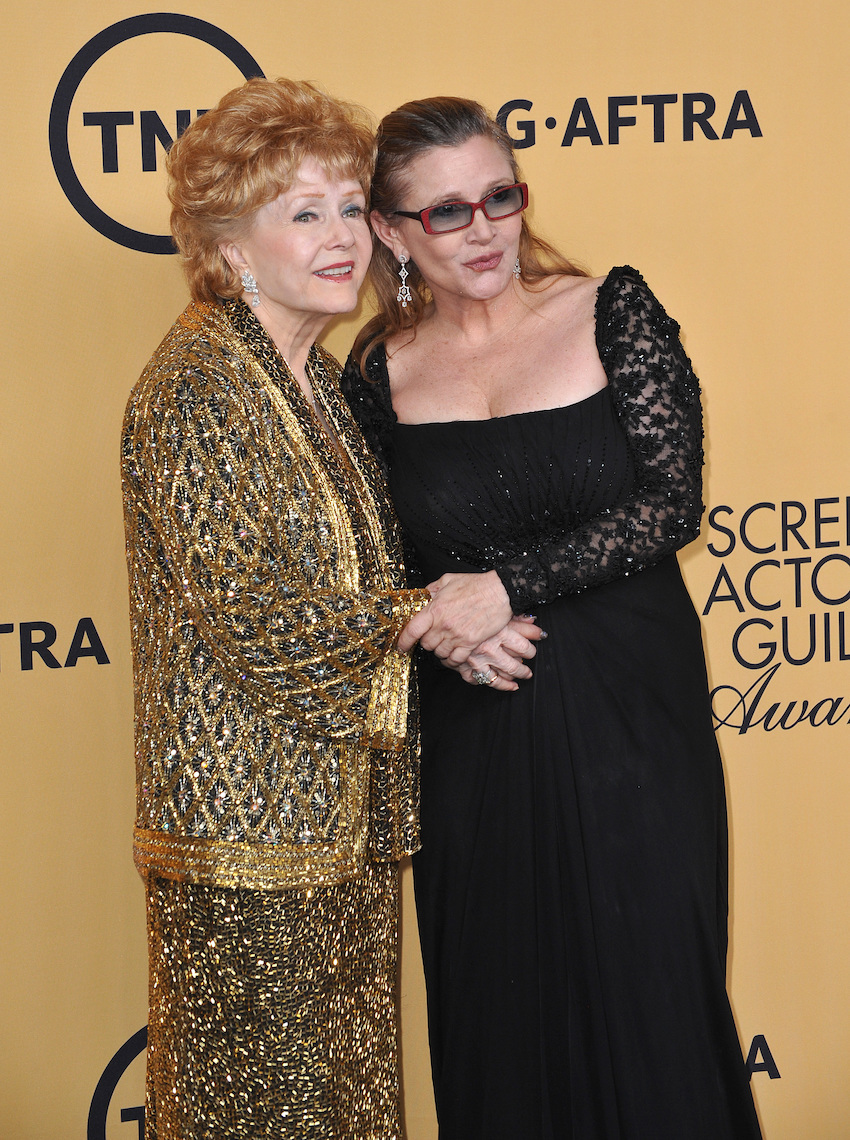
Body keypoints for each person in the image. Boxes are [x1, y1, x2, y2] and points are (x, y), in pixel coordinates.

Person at [342, 96, 763, 1139]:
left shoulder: (607, 308)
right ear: (391, 233)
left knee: (651, 993)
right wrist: (445, 622)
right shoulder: (373, 375)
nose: (481, 229)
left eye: (498, 197)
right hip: (477, 721)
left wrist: (502, 589)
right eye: (444, 212)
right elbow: (368, 564)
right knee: (500, 1009)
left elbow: (671, 502)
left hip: (632, 718)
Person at [121, 77, 435, 1139]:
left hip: (338, 826)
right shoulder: (197, 385)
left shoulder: (326, 380)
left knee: (345, 1108)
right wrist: (432, 617)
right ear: (230, 244)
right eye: (304, 213)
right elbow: (256, 619)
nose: (343, 236)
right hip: (243, 843)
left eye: (351, 207)